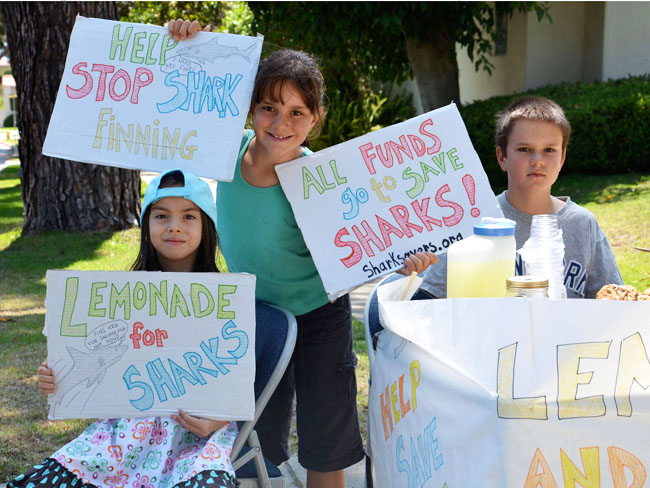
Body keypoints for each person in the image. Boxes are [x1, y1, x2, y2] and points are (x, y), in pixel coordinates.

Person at [168, 20, 438, 488]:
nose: (280, 122)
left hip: (319, 317)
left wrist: (403, 254)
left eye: (297, 112)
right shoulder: (224, 152)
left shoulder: (319, 177)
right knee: (253, 440)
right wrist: (190, 46)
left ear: (315, 119)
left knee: (325, 442)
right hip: (251, 316)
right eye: (269, 107)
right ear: (249, 109)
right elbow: (180, 104)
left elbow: (367, 235)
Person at [8, 169, 239, 488]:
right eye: (161, 215)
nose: (174, 226)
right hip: (119, 438)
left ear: (207, 226)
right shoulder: (120, 297)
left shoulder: (227, 298)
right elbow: (91, 362)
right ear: (146, 226)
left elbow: (238, 376)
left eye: (189, 216)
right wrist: (56, 377)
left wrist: (222, 417)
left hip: (197, 440)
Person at [421, 95, 623, 299]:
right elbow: (430, 297)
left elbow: (614, 302)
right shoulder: (478, 222)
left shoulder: (582, 224)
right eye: (524, 149)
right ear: (502, 157)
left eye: (549, 150)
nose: (537, 160)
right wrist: (410, 271)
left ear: (562, 158)